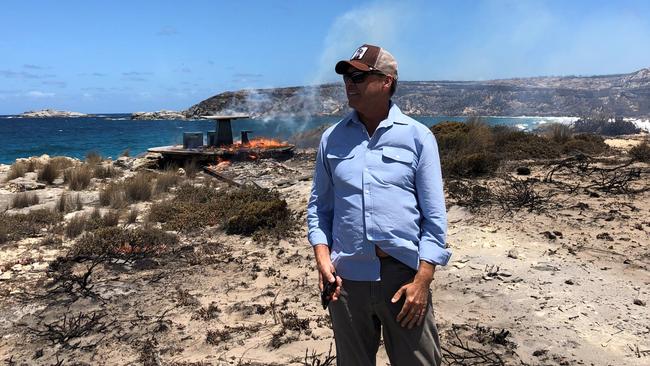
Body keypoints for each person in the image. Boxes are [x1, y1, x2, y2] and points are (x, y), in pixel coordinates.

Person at [307, 44, 451, 365]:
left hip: (403, 279)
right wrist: (322, 259)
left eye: (358, 76)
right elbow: (319, 208)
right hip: (346, 281)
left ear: (386, 81)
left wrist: (423, 279)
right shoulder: (332, 138)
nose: (349, 83)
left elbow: (434, 218)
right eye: (346, 76)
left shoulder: (418, 137)